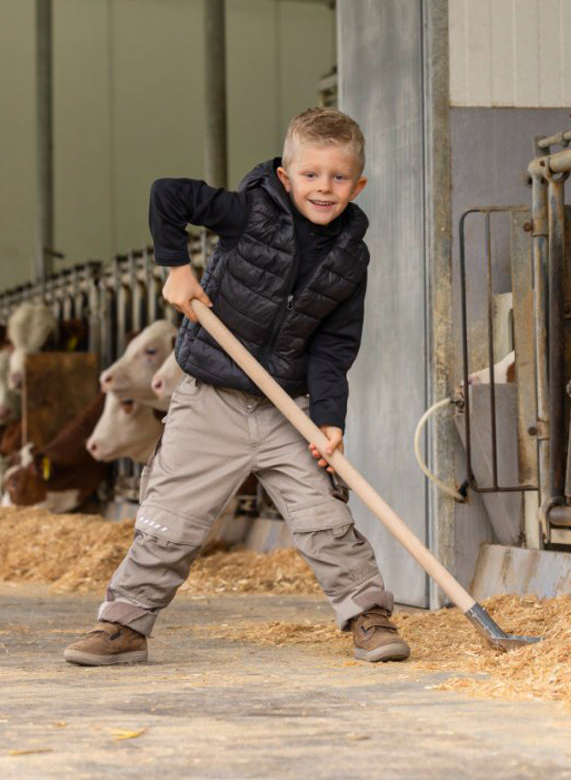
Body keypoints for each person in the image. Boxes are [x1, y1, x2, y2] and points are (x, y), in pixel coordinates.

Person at [63, 108, 410, 666]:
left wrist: (328, 419)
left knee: (324, 518)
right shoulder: (250, 211)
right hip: (211, 399)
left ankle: (369, 616)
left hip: (286, 408)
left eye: (339, 177)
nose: (324, 187)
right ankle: (124, 624)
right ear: (286, 177)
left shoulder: (351, 256)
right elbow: (167, 195)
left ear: (358, 185)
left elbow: (334, 344)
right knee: (170, 518)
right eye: (311, 174)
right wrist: (176, 268)